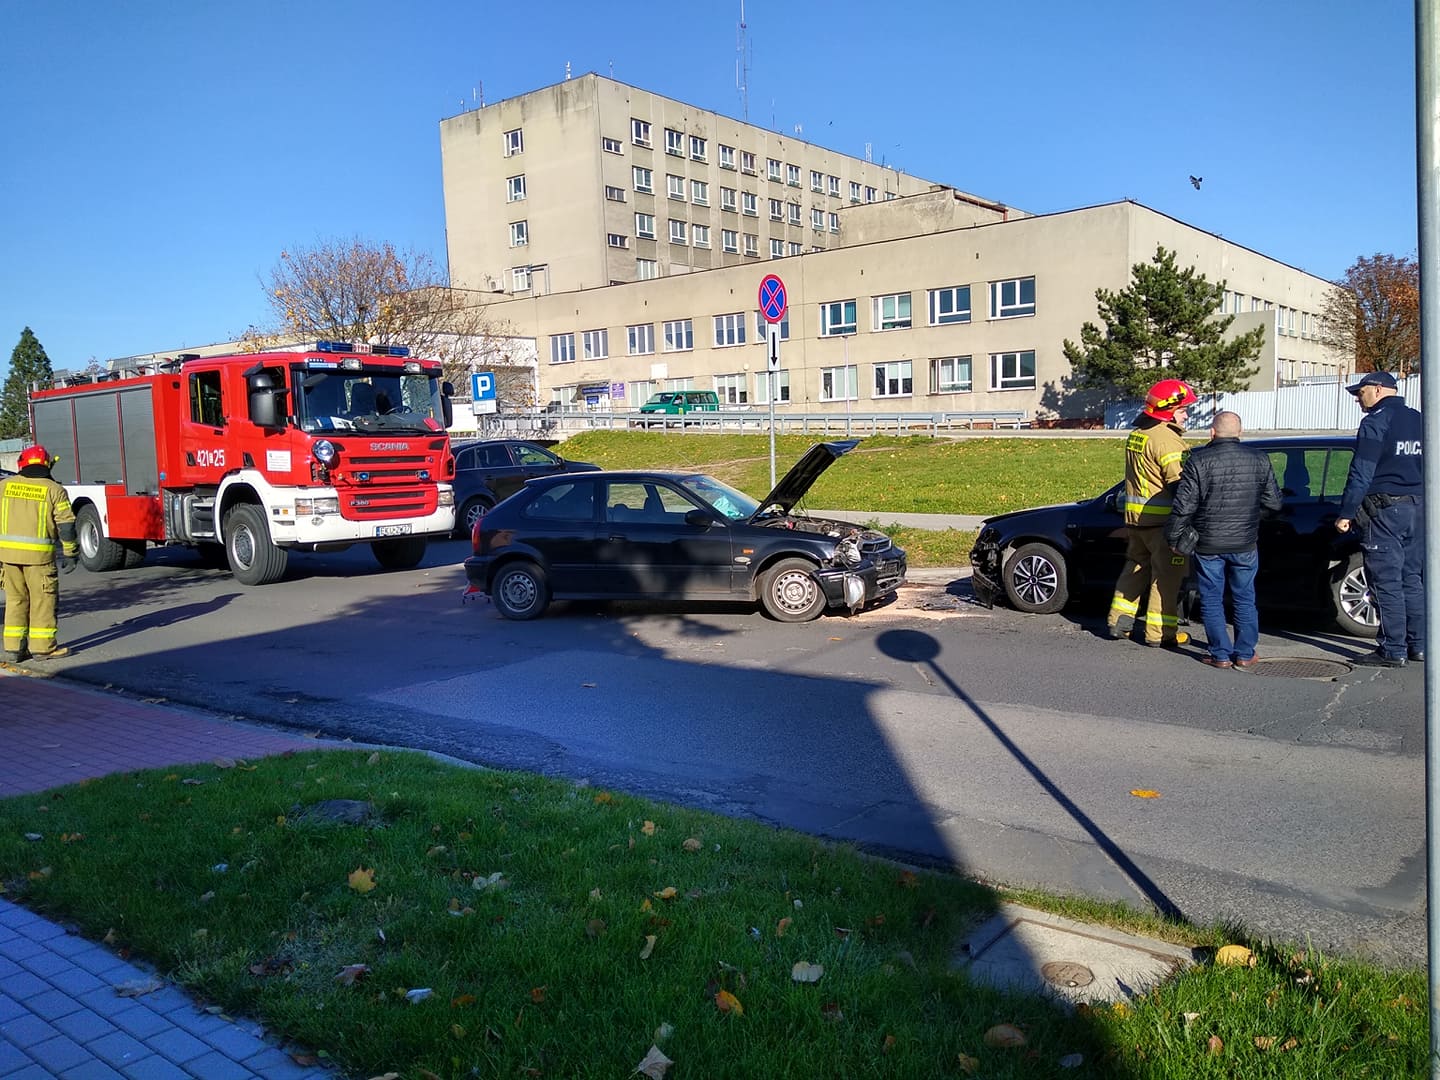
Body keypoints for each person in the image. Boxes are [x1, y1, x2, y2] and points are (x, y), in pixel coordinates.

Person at [1165, 412, 1283, 669]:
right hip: (1245, 543)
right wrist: (1251, 517)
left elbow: (1183, 506)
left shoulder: (1198, 460)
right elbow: (1274, 503)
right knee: (1244, 598)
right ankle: (1244, 652)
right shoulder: (1259, 459)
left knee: (1211, 599)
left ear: (1212, 432)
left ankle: (1219, 654)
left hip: (1208, 544)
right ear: (1240, 433)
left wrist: (1173, 537)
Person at [1335, 370, 1424, 667]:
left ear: (1377, 389)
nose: (1359, 399)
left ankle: (1392, 649)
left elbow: (1362, 471)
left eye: (1360, 393)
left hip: (1384, 511)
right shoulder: (1419, 418)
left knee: (1386, 582)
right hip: (1418, 507)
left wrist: (1346, 512)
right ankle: (1419, 645)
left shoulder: (1375, 421)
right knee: (1411, 578)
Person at [1105, 378, 1198, 647]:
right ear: (1169, 411)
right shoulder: (1168, 441)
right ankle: (1160, 634)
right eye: (1183, 410)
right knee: (1166, 578)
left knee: (1134, 570)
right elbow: (1181, 486)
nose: (1186, 414)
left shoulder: (1139, 434)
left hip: (1136, 521)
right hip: (1162, 524)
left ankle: (1118, 621)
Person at [0, 444, 79, 661]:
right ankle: (43, 649)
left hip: (7, 557)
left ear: (21, 463)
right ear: (46, 464)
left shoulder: (4, 486)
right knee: (42, 601)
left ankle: (14, 649)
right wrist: (71, 552)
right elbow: (66, 525)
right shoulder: (54, 490)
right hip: (39, 559)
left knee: (15, 600)